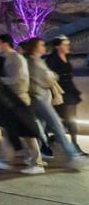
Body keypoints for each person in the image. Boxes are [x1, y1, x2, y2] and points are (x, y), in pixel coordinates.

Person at [21, 38, 86, 168]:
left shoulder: (37, 60)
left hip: (40, 98)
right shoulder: (33, 62)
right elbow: (46, 79)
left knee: (40, 129)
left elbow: (49, 77)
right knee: (57, 126)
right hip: (39, 98)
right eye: (41, 45)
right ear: (35, 47)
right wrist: (52, 76)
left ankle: (33, 158)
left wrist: (51, 77)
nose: (44, 46)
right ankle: (72, 155)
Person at [0, 35, 44, 174]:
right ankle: (6, 160)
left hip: (19, 99)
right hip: (14, 99)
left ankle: (37, 163)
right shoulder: (11, 58)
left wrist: (1, 81)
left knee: (27, 132)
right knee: (9, 130)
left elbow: (20, 79)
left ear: (5, 44)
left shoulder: (15, 58)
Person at [44, 36, 85, 155]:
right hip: (60, 92)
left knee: (71, 121)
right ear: (57, 46)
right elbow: (49, 77)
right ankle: (58, 140)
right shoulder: (52, 59)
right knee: (66, 120)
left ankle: (72, 145)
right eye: (65, 44)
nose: (68, 46)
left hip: (70, 91)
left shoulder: (67, 56)